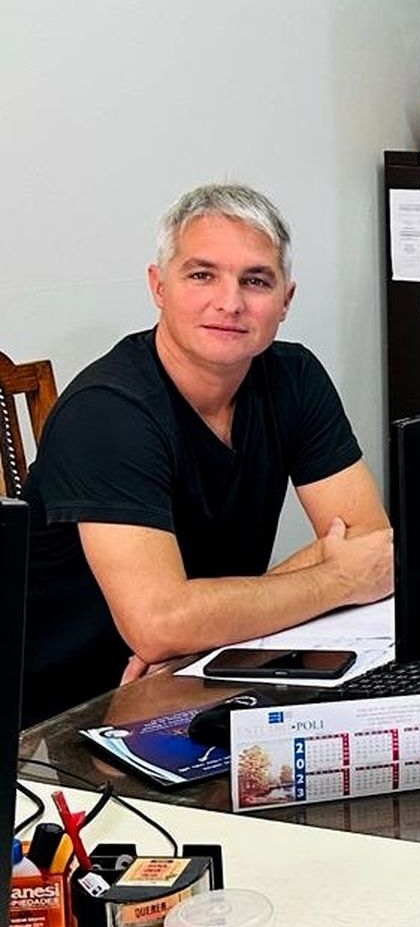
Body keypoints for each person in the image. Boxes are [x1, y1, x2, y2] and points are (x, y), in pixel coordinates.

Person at [20, 184, 392, 726]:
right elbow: (157, 625)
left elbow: (369, 547)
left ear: (285, 300)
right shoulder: (107, 411)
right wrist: (334, 580)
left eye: (256, 280)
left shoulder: (295, 377)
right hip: (68, 716)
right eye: (202, 275)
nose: (230, 302)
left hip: (208, 671)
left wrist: (197, 627)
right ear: (158, 286)